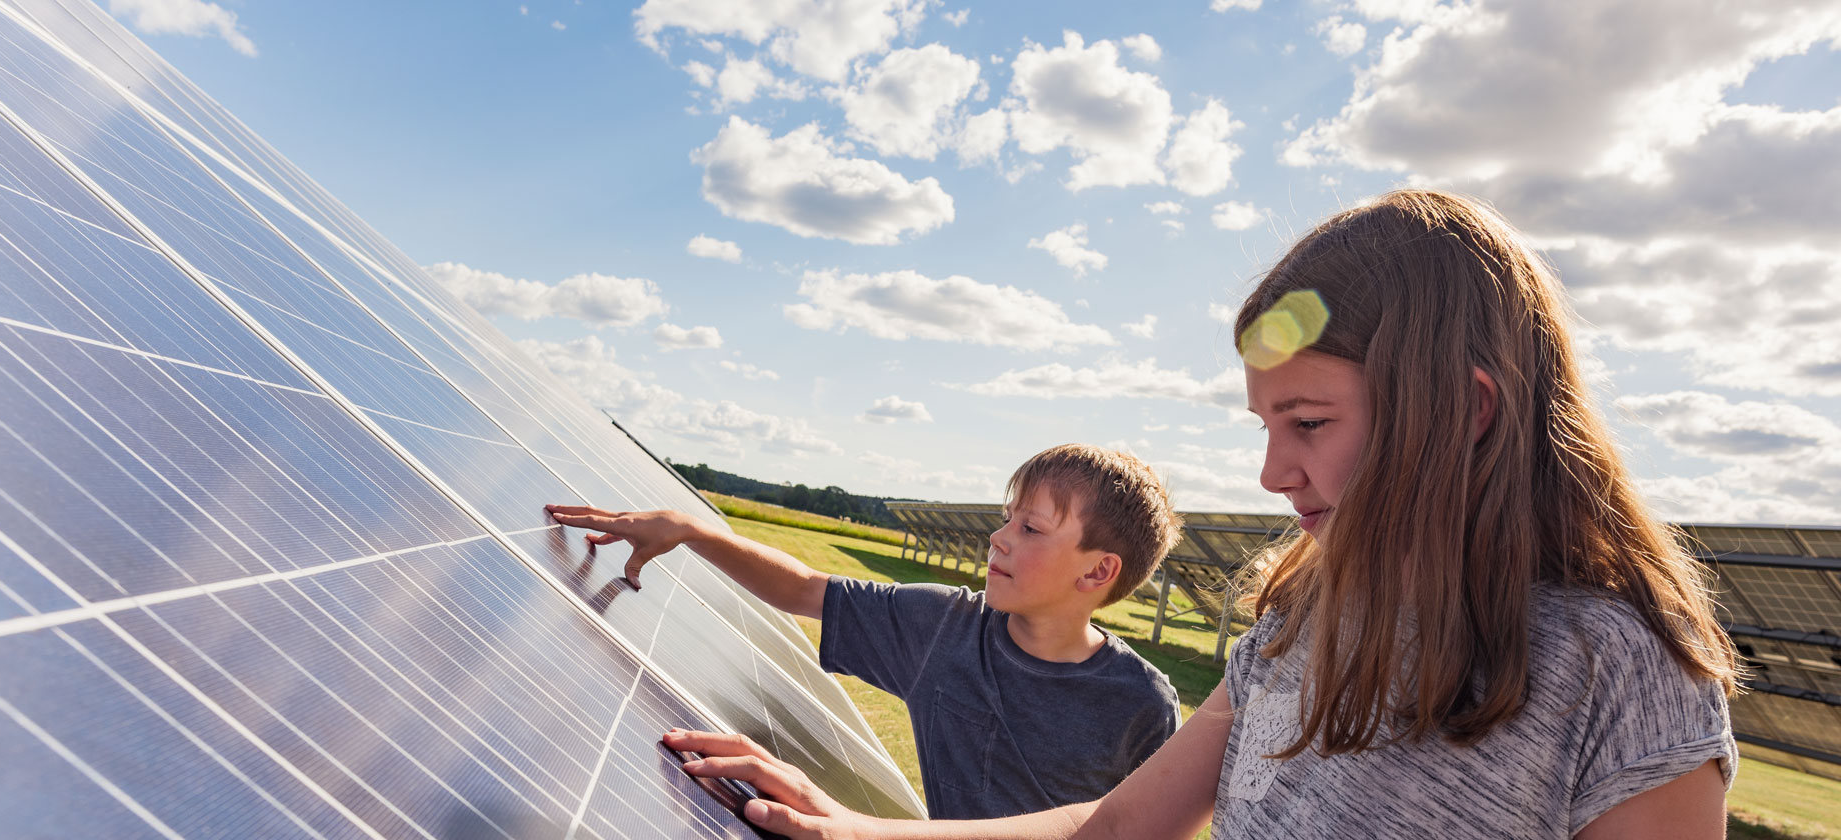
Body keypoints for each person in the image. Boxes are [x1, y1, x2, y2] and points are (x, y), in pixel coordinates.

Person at [667, 189, 1740, 839]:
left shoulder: (1622, 676)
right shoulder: (1294, 617)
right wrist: (847, 826)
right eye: (1262, 426)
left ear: (1462, 408)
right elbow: (1121, 823)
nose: (1273, 472)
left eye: (1308, 422)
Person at [546, 443, 1185, 819]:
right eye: (1006, 518)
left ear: (1099, 571)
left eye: (1031, 529)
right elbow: (800, 587)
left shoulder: (1140, 704)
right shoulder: (942, 628)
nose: (999, 537)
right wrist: (693, 530)